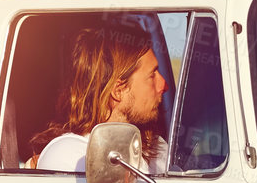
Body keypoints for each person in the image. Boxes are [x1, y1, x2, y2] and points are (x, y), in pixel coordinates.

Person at [32, 24, 169, 174]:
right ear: (118, 91)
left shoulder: (155, 147)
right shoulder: (71, 156)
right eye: (151, 75)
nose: (164, 85)